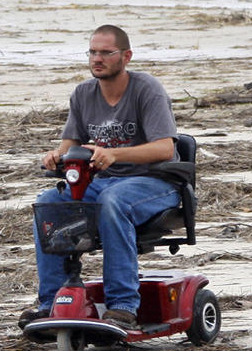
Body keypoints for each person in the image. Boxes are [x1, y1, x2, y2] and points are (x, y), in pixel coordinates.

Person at [22, 24, 179, 331]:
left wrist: (115, 155)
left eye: (106, 53)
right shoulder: (83, 94)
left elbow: (165, 148)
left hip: (155, 184)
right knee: (48, 203)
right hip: (100, 184)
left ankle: (122, 305)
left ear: (126, 56)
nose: (98, 58)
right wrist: (56, 155)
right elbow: (71, 145)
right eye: (93, 52)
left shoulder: (147, 90)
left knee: (112, 200)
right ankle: (51, 302)